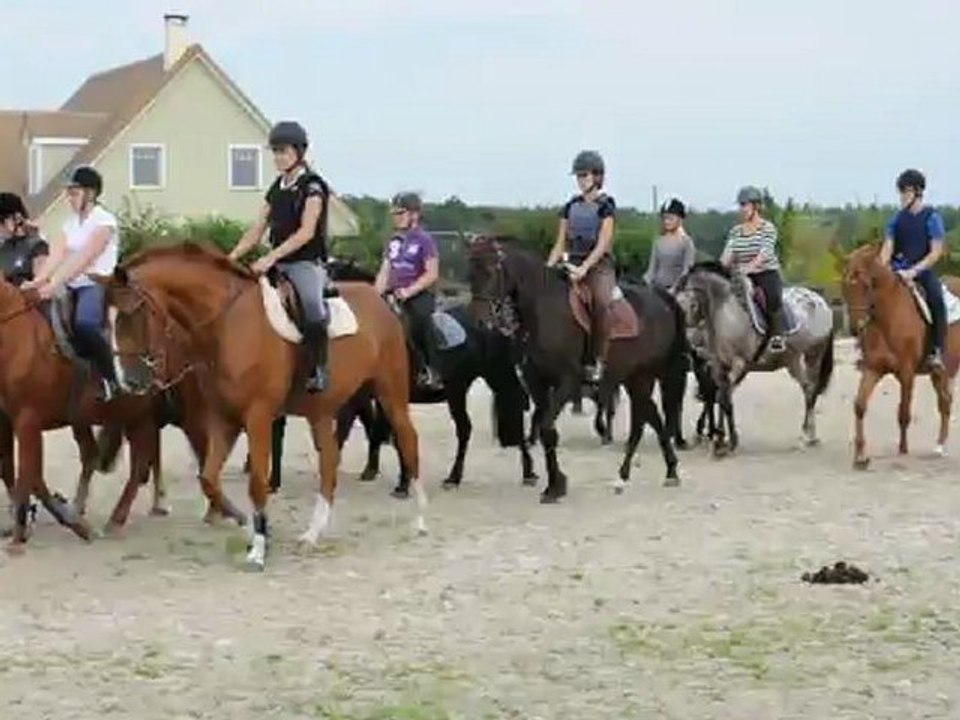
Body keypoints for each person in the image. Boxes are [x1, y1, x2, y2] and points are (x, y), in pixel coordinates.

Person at [230, 120, 332, 392]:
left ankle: (317, 368)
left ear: (299, 152)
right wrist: (230, 258)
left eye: (283, 151)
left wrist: (270, 257)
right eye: (275, 151)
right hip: (277, 263)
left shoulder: (313, 186)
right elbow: (257, 229)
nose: (277, 157)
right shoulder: (277, 187)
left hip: (305, 263)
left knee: (312, 309)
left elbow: (306, 232)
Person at [21, 166, 121, 399]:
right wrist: (37, 281)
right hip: (71, 284)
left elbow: (83, 258)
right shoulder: (70, 223)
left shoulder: (104, 222)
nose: (69, 198)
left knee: (85, 323)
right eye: (69, 193)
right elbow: (57, 254)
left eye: (74, 193)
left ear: (91, 194)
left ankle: (110, 377)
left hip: (96, 283)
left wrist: (54, 283)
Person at [546, 150, 617, 382]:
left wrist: (585, 268)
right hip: (572, 262)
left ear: (597, 177)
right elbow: (560, 244)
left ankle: (598, 360)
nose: (581, 180)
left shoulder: (606, 206)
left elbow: (603, 244)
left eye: (585, 175)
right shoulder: (570, 206)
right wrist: (547, 269)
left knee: (601, 303)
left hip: (598, 266)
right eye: (578, 175)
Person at [879, 168, 947, 370]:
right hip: (897, 270)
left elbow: (935, 252)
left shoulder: (932, 217)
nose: (901, 196)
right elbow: (887, 248)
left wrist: (914, 272)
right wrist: (882, 268)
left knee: (936, 299)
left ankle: (937, 351)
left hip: (922, 272)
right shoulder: (896, 220)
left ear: (917, 192)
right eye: (900, 191)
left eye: (905, 191)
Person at [374, 192, 441, 389]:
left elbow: (432, 273)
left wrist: (408, 292)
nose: (395, 217)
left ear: (414, 215)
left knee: (421, 322)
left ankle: (430, 368)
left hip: (417, 294)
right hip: (392, 294)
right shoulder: (393, 241)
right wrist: (373, 296)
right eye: (394, 214)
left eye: (400, 213)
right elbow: (385, 271)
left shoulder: (425, 240)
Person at [720, 186, 786, 353]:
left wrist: (749, 267)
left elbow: (765, 252)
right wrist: (720, 267)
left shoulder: (767, 228)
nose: (741, 209)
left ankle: (777, 335)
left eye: (744, 205)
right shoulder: (736, 231)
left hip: (764, 273)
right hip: (741, 275)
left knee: (772, 297)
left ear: (755, 206)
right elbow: (728, 253)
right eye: (740, 205)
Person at [645, 197, 696, 291]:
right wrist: (643, 283)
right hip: (657, 287)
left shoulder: (686, 242)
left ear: (679, 219)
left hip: (677, 290)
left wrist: (675, 288)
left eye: (670, 218)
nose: (666, 221)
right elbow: (652, 269)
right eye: (664, 218)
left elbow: (687, 271)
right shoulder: (658, 241)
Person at [0, 192, 48, 287]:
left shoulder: (37, 245)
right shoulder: (4, 247)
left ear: (17, 218)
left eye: (1, 222)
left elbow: (40, 283)